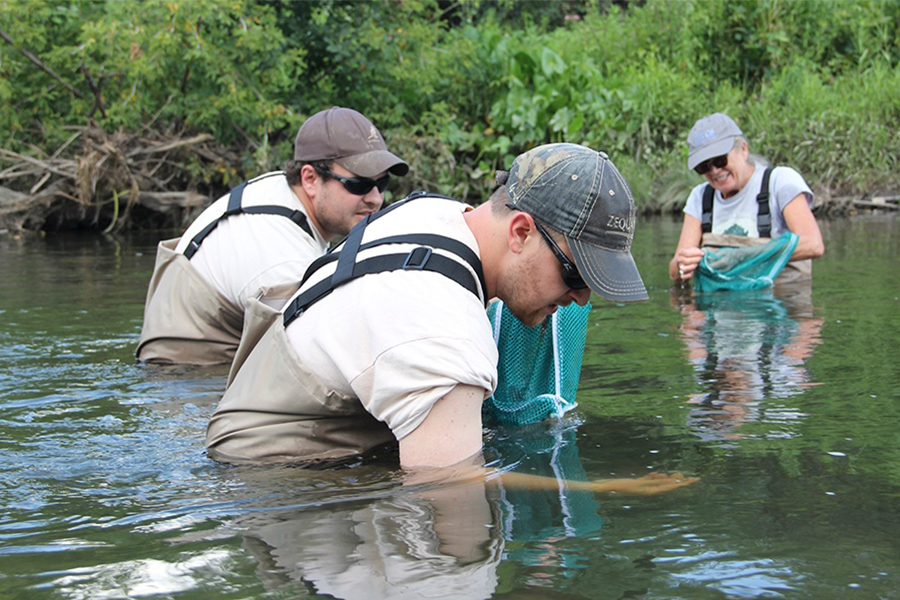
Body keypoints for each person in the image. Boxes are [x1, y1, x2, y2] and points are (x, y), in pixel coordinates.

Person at [205, 142, 697, 494]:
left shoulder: (437, 214)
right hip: (275, 486)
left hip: (244, 436)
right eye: (575, 273)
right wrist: (611, 488)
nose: (581, 300)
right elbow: (447, 492)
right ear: (521, 231)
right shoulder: (442, 325)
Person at [136, 107, 408, 366]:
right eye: (359, 184)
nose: (375, 199)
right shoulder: (281, 255)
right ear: (310, 178)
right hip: (189, 384)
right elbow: (309, 357)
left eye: (381, 184)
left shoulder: (280, 192)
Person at [669, 113, 824, 285]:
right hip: (719, 306)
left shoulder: (780, 181)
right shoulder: (699, 197)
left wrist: (739, 257)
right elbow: (675, 270)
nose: (714, 171)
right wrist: (683, 264)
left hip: (784, 303)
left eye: (720, 160)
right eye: (703, 166)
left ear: (743, 149)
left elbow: (813, 244)